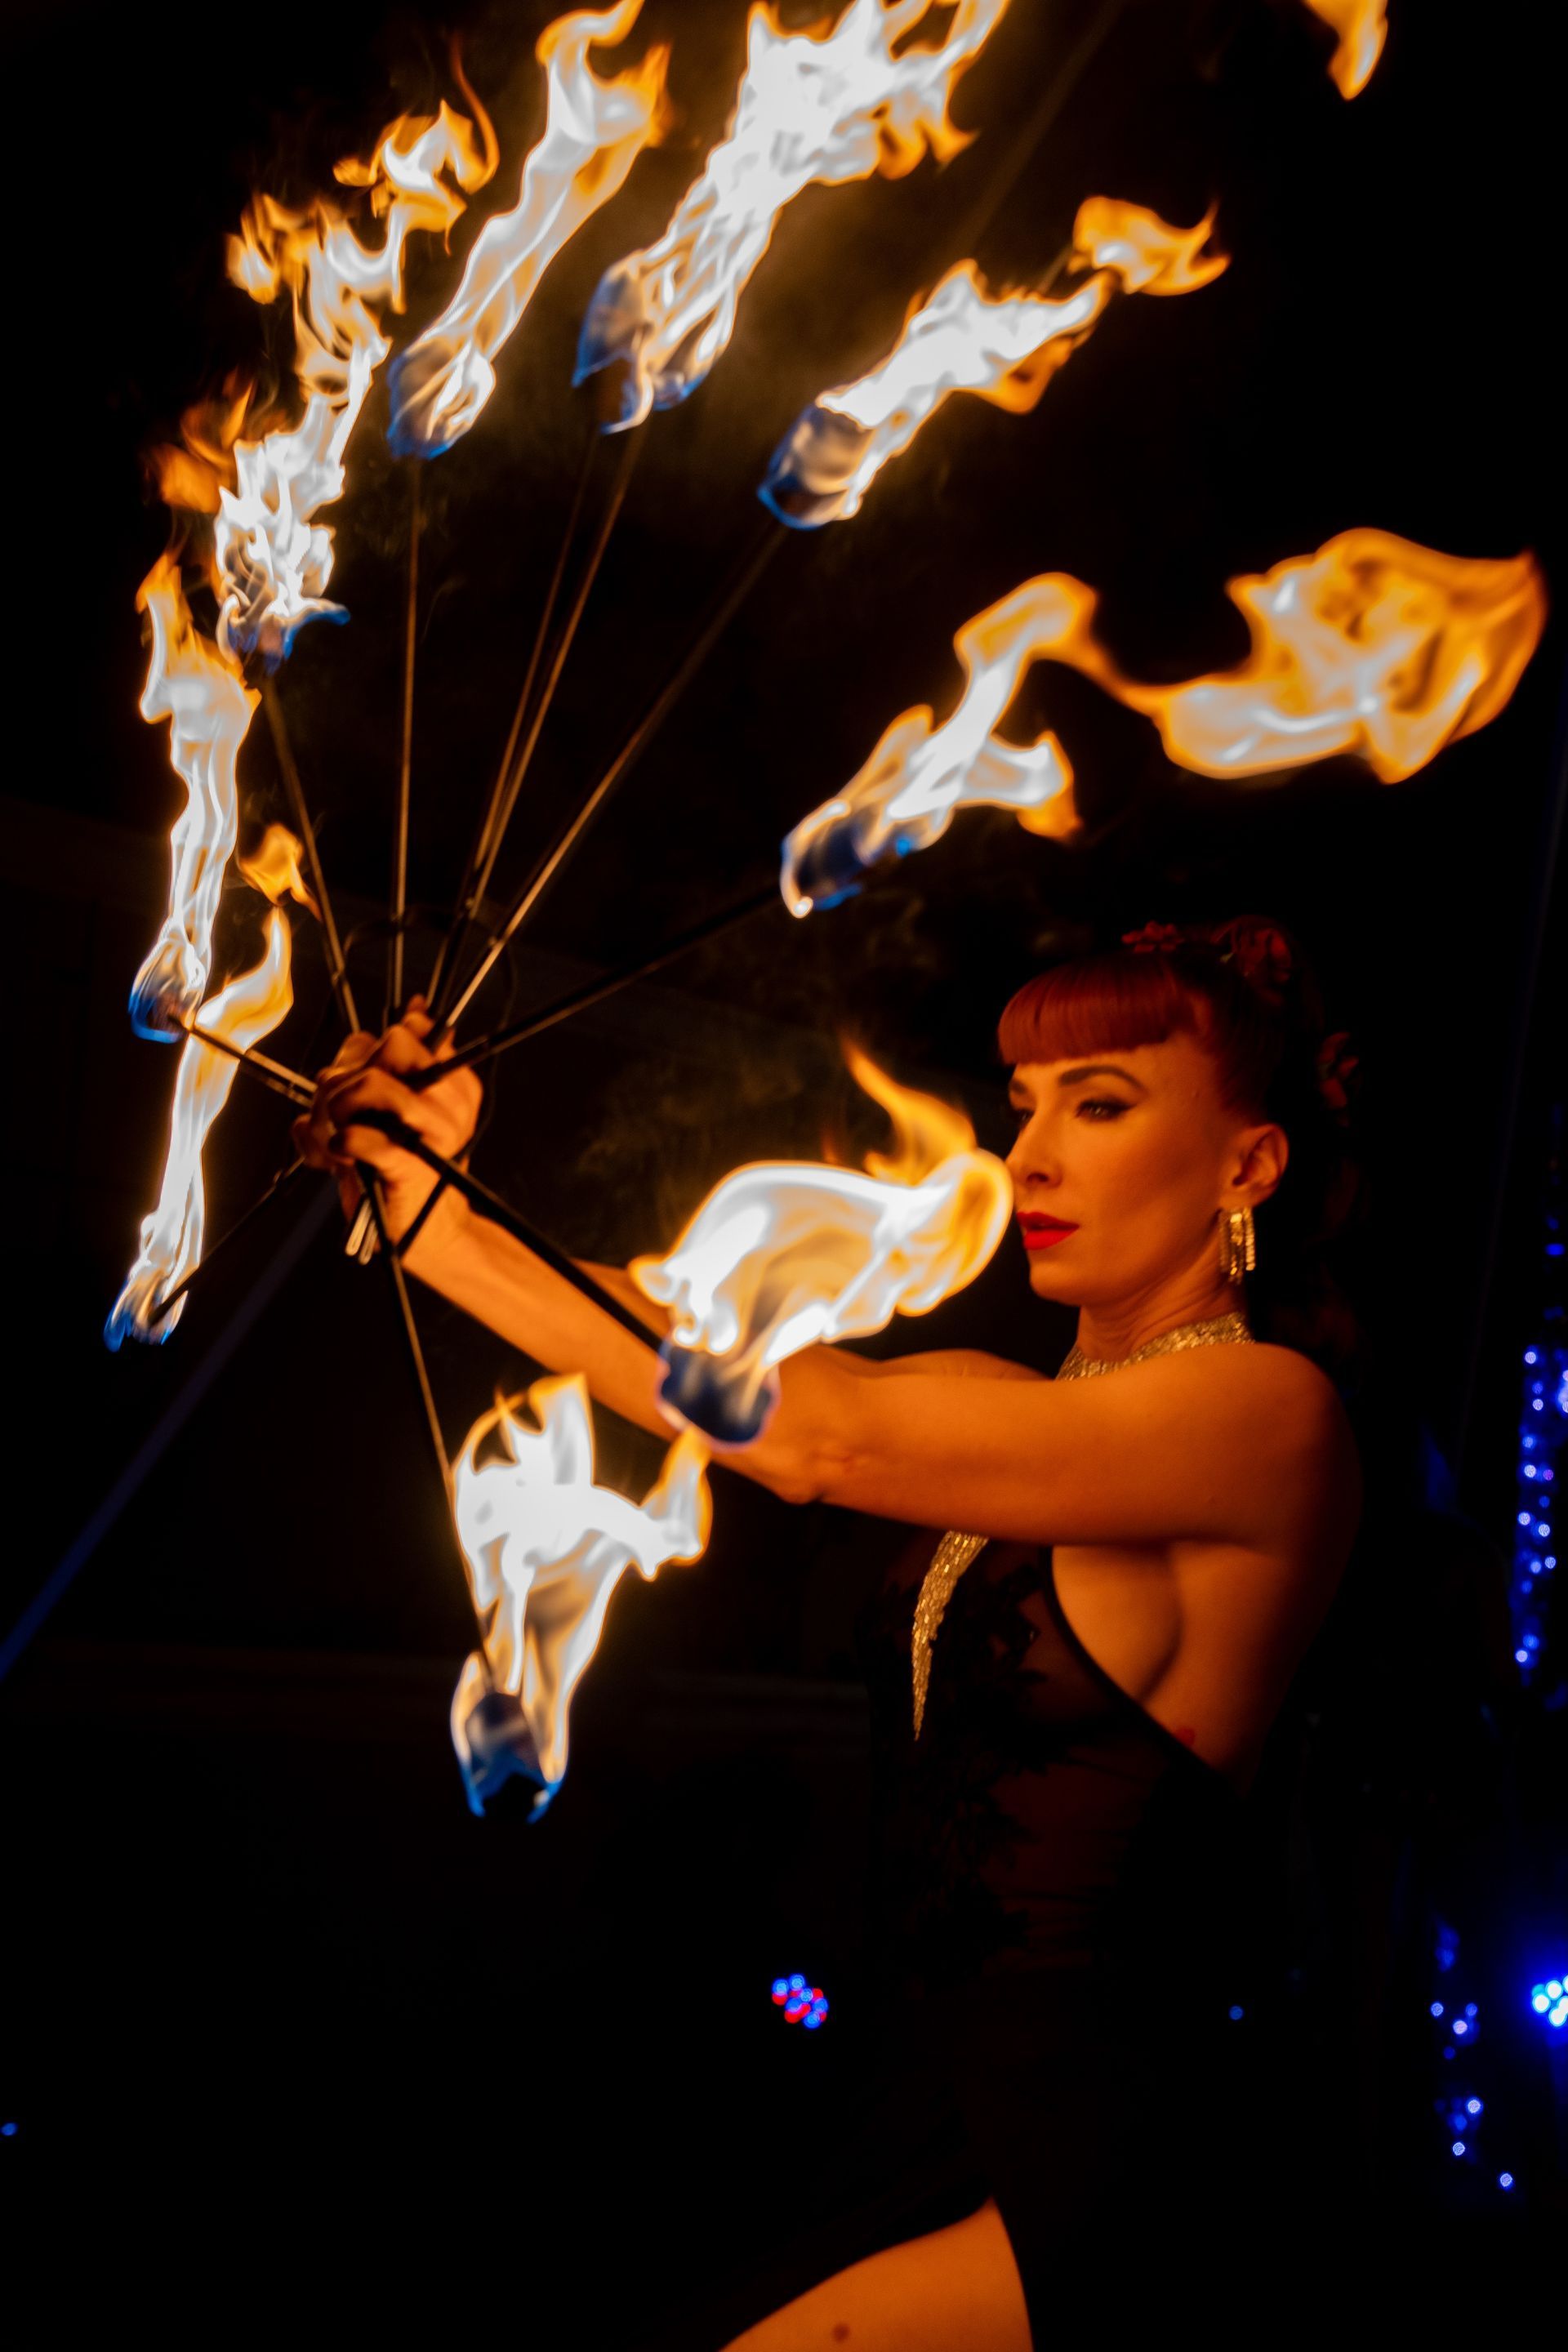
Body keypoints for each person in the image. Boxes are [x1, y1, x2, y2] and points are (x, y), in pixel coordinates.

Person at [296, 915, 1362, 2350]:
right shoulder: (1007, 1403)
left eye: (1098, 1105)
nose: (1028, 1157)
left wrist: (447, 1215)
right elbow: (695, 1349)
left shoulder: (1268, 1415)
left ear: (1251, 1164)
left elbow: (817, 1438)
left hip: (1084, 2155)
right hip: (897, 2115)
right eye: (1024, 1107)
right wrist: (430, 1203)